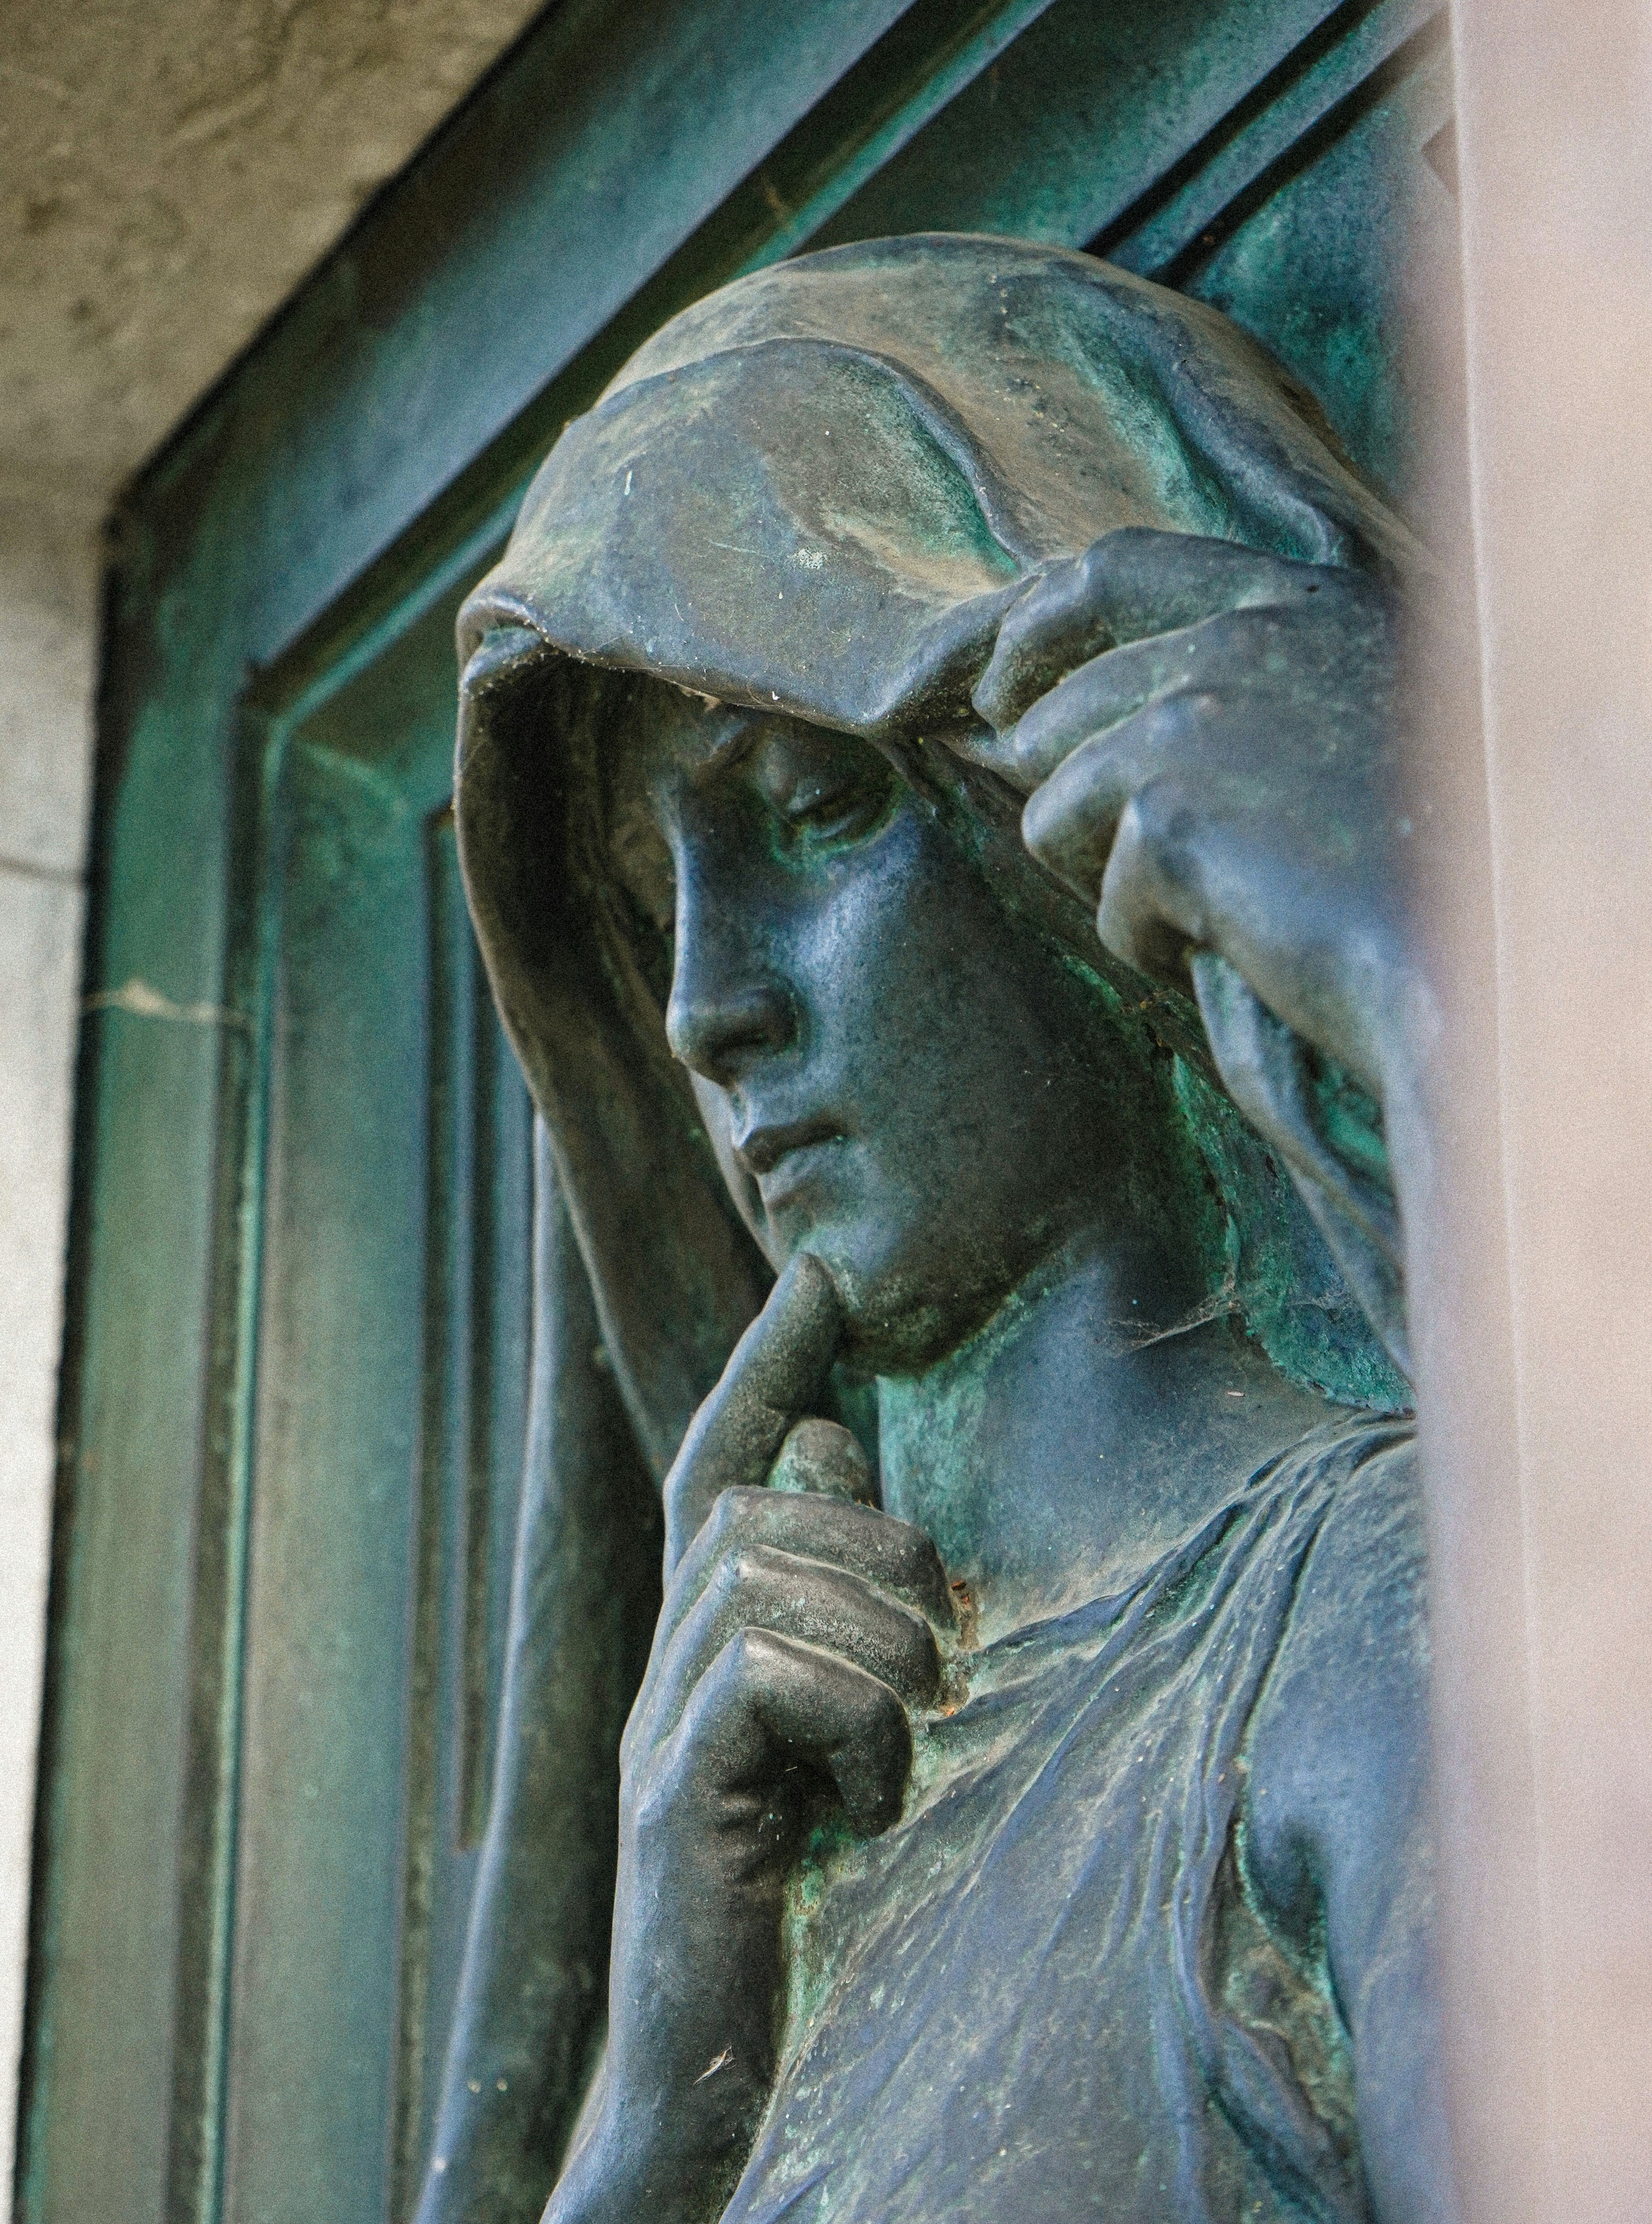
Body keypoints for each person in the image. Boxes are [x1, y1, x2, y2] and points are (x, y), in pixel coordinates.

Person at [421, 233, 1457, 2224]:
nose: (705, 1005)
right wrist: (662, 2109)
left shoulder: (1375, 1635)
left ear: (1088, 817)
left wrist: (1436, 984)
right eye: (654, 899)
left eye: (817, 812)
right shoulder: (753, 1823)